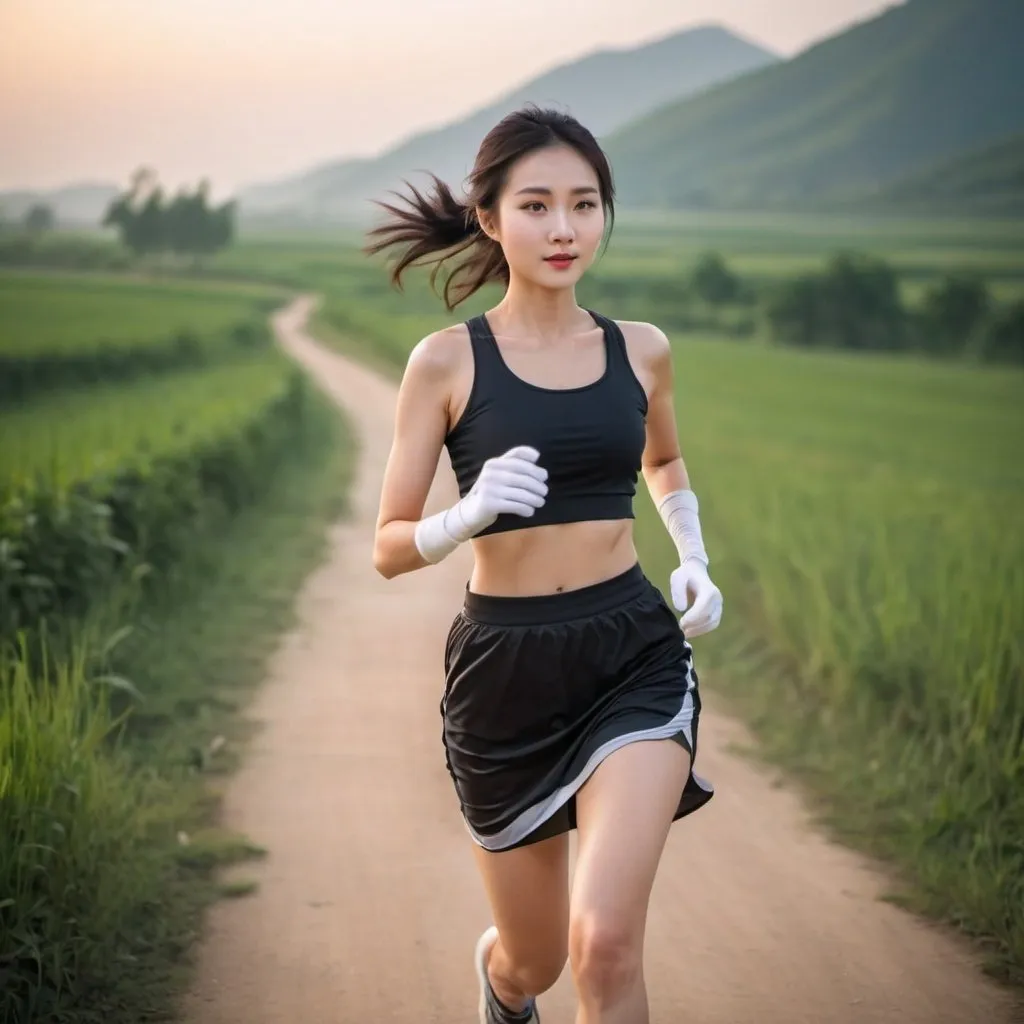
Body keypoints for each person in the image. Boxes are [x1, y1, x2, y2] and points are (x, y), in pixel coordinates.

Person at [367, 105, 723, 1024]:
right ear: (490, 218)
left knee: (602, 944)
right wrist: (465, 516)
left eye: (585, 204)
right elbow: (388, 547)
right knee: (536, 959)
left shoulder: (640, 349)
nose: (564, 228)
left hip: (631, 655)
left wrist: (692, 555)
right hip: (506, 672)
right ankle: (501, 988)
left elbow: (665, 460)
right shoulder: (445, 364)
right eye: (536, 206)